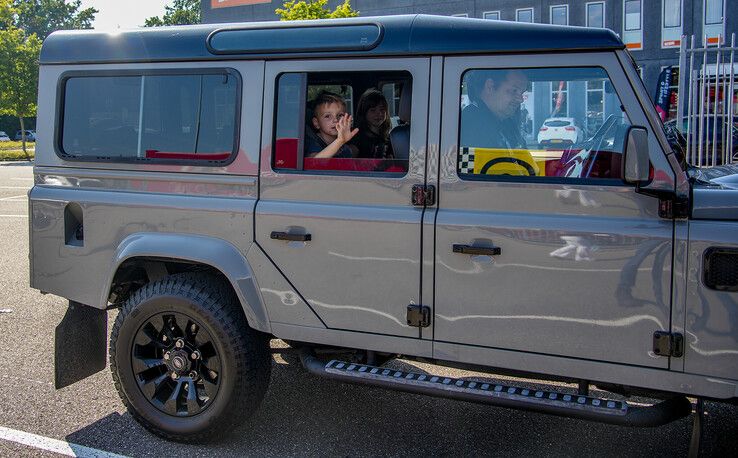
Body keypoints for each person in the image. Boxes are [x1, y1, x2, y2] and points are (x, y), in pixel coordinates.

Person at [461, 69, 528, 150]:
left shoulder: (506, 123)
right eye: (514, 91)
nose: (521, 100)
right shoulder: (471, 126)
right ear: (490, 86)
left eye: (522, 93)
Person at [305, 92, 358, 158]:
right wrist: (340, 141)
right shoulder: (313, 141)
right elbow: (314, 161)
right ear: (317, 123)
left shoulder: (344, 143)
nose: (335, 120)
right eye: (327, 116)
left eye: (340, 115)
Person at [351, 89, 394, 159]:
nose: (379, 114)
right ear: (364, 112)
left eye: (382, 109)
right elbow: (349, 161)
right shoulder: (357, 137)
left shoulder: (388, 138)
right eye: (373, 110)